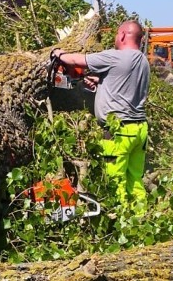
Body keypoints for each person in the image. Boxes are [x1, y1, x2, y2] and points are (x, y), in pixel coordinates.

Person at [53, 20, 150, 212]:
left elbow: (75, 61)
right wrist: (100, 84)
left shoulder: (116, 57)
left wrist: (58, 53)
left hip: (119, 131)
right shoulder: (142, 61)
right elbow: (123, 84)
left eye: (116, 34)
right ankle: (140, 216)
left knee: (115, 180)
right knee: (134, 179)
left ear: (122, 35)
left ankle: (120, 223)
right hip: (140, 129)